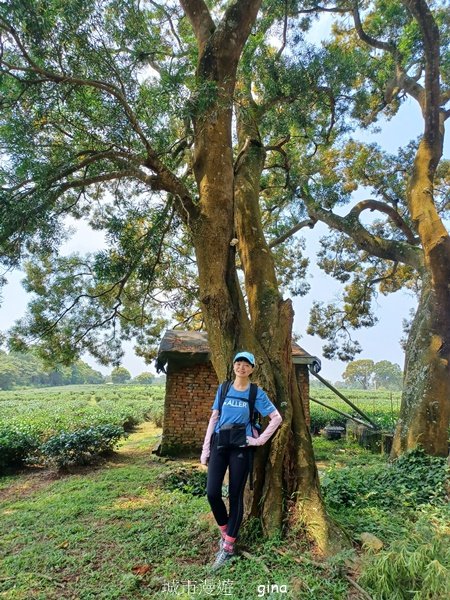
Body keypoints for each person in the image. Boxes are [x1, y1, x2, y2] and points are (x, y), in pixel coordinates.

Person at [200, 351, 282, 570]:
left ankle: (227, 548)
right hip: (219, 443)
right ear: (233, 366)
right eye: (238, 362)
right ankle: (226, 533)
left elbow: (276, 418)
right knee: (212, 492)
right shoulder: (224, 388)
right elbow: (214, 418)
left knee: (236, 496)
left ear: (252, 369)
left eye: (247, 364)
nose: (242, 367)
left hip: (241, 448)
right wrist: (205, 448)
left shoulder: (256, 393)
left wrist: (258, 441)